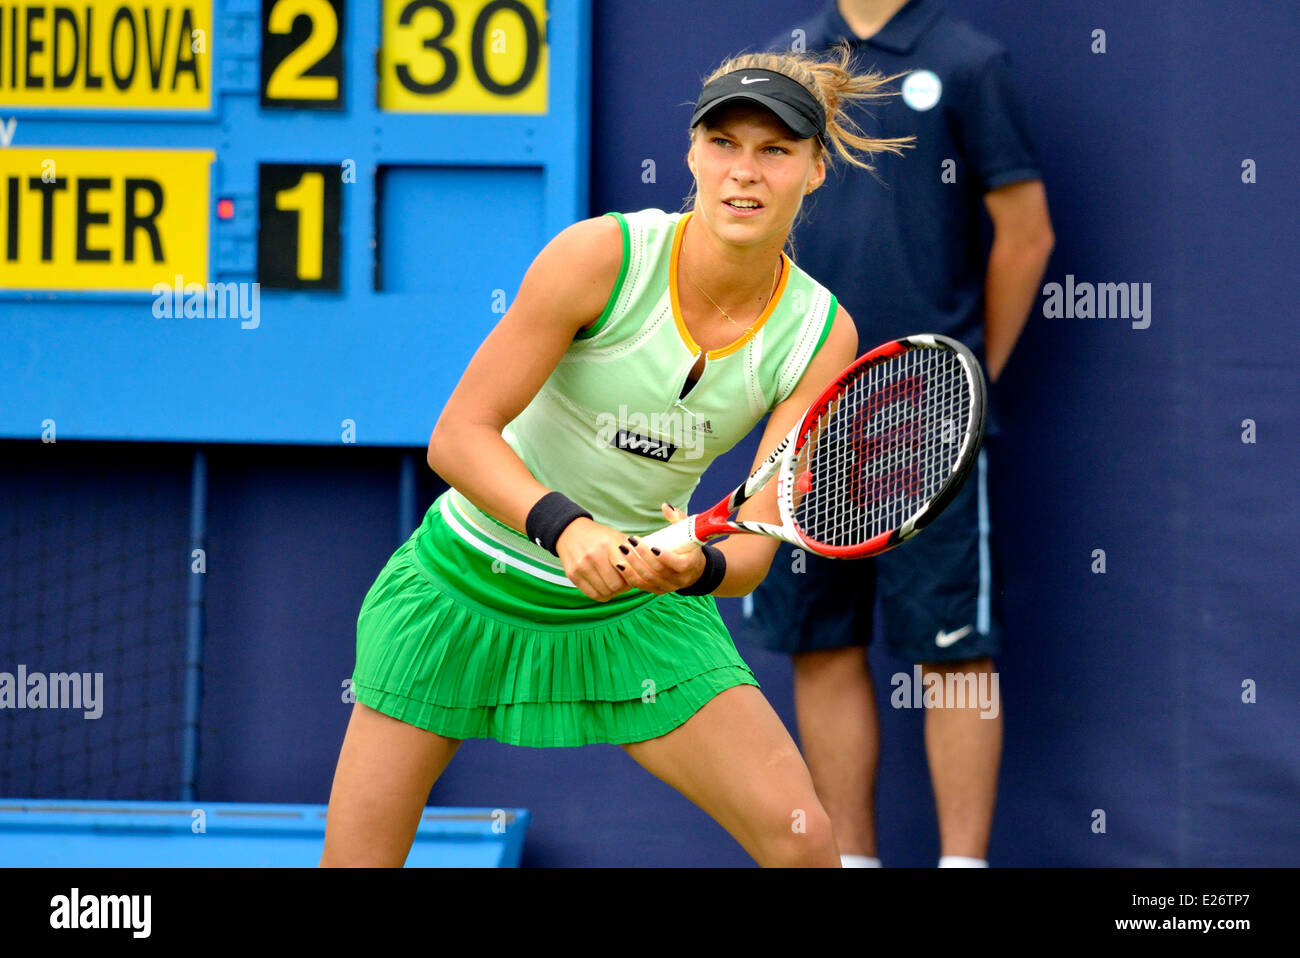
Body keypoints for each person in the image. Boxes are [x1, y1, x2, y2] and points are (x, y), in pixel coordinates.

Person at [319, 46, 915, 867]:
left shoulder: (820, 333)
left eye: (775, 151)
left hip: (638, 615)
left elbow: (751, 546)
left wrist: (692, 569)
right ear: (692, 155)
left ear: (815, 170)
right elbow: (459, 437)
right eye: (724, 144)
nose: (745, 173)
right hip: (463, 588)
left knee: (803, 841)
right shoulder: (600, 257)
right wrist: (567, 530)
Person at [744, 0, 1055, 868]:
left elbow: (1026, 234)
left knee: (953, 652)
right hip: (801, 410)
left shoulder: (968, 62)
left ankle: (963, 865)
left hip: (929, 418)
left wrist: (970, 380)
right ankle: (850, 861)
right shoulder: (783, 58)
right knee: (819, 640)